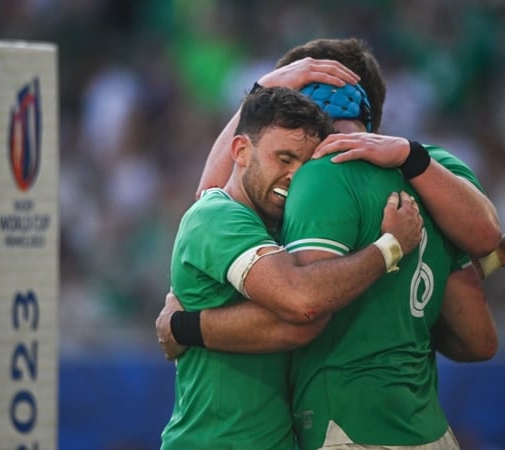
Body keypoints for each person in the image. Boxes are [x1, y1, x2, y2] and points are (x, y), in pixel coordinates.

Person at [158, 38, 505, 449]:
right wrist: (491, 260)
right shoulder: (438, 174)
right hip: (428, 430)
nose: (295, 170)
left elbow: (302, 305)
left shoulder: (317, 182)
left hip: (344, 429)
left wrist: (183, 326)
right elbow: (480, 338)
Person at [160, 86, 426, 450]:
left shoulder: (275, 227)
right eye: (283, 159)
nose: (294, 176)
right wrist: (390, 247)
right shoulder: (218, 217)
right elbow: (302, 305)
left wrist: (183, 326)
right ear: (240, 151)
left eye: (304, 166)